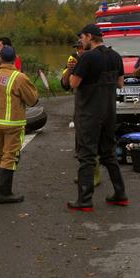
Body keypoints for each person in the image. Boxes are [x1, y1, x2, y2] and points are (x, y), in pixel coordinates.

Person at [68, 24, 128, 211]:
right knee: (108, 153)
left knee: (87, 156)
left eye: (82, 37)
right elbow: (120, 84)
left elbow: (74, 84)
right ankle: (120, 194)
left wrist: (73, 70)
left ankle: (84, 200)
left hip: (89, 114)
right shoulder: (115, 56)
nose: (81, 41)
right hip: (109, 113)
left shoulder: (87, 58)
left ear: (90, 37)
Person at [0, 46, 39, 203]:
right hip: (12, 122)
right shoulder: (18, 77)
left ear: (0, 58)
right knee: (10, 155)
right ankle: (5, 193)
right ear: (15, 59)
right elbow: (33, 100)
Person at [61, 41, 102, 187]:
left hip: (94, 104)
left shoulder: (93, 60)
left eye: (81, 48)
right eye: (77, 49)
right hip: (80, 105)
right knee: (81, 142)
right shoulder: (73, 62)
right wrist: (70, 70)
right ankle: (85, 173)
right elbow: (66, 85)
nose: (79, 51)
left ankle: (95, 174)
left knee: (92, 141)